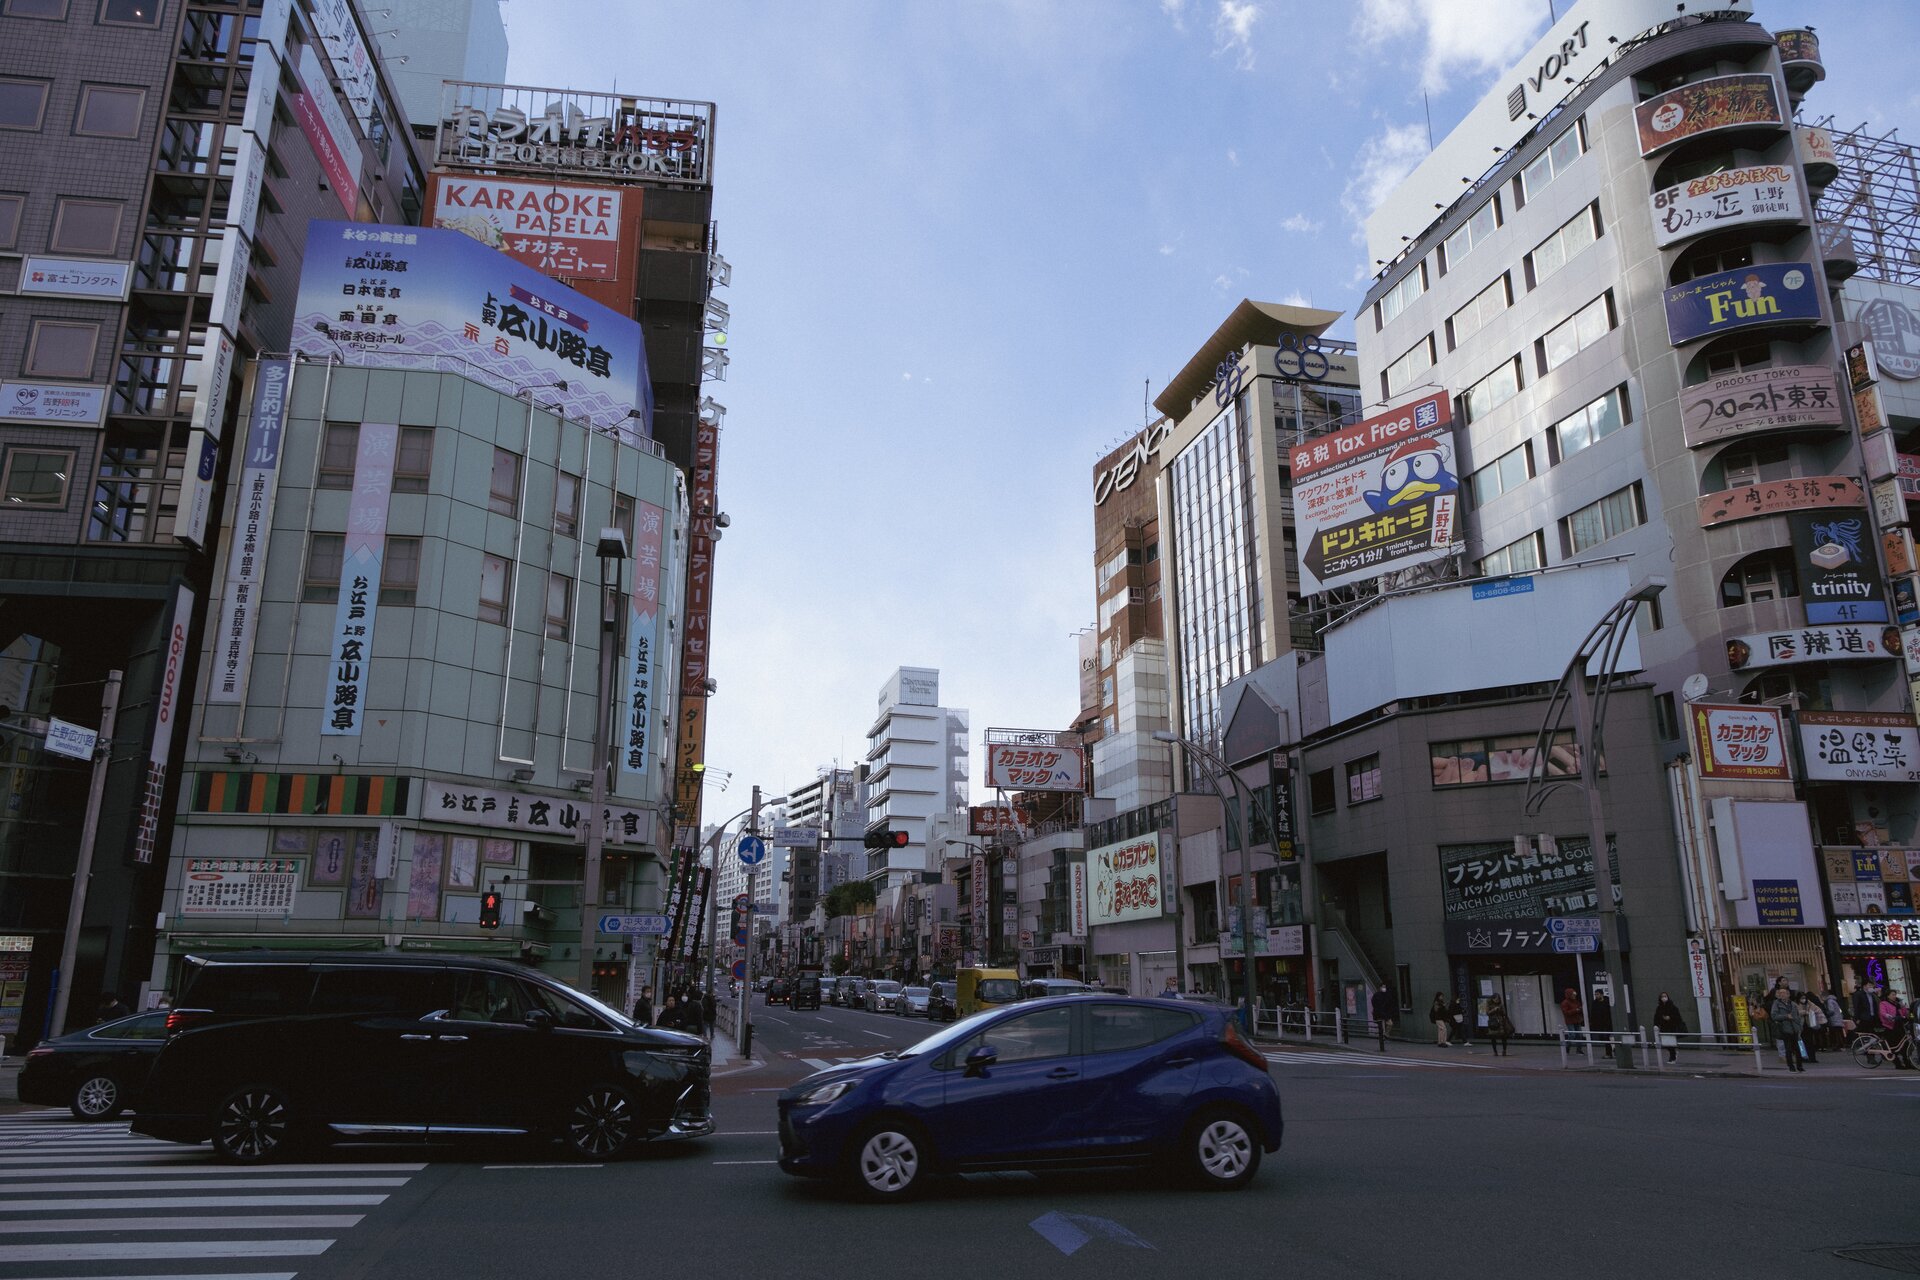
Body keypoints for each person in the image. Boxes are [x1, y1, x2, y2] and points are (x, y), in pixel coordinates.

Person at [1769, 986, 1805, 1073]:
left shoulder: (1792, 1004)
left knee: (1797, 1048)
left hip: (1794, 1028)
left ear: (1788, 994)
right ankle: (1791, 1066)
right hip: (1785, 1028)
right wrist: (1785, 1016)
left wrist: (1799, 1026)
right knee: (1788, 1048)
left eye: (1783, 993)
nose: (1782, 995)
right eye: (1780, 993)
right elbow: (1774, 1016)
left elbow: (1797, 1015)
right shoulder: (1777, 1004)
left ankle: (1799, 1066)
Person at [1652, 992, 1686, 1064]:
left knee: (1670, 1043)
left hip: (1671, 1027)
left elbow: (1678, 1017)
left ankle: (1672, 1057)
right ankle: (1673, 1055)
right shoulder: (1659, 1008)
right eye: (1662, 997)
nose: (1664, 998)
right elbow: (1656, 1017)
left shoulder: (1672, 1007)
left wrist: (1670, 1018)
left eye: (1665, 996)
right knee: (1666, 1043)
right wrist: (1656, 1025)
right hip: (1664, 1027)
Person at [1796, 990, 1822, 1064]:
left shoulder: (1809, 1004)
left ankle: (1812, 1057)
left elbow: (1817, 1009)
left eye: (1804, 998)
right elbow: (1795, 1013)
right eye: (1802, 998)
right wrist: (1803, 1012)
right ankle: (1804, 1057)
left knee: (1810, 1042)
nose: (1803, 1000)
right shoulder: (1796, 1005)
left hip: (1808, 1025)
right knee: (1801, 1042)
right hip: (1800, 1026)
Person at [1369, 984, 1396, 1052]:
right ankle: (1382, 1042)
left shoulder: (1387, 995)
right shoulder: (1376, 995)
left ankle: (1385, 1035)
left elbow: (1390, 1003)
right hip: (1379, 1014)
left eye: (1385, 987)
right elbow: (1374, 1004)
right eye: (1383, 987)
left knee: (1390, 1024)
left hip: (1386, 1014)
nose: (1384, 988)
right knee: (1382, 1027)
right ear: (1380, 988)